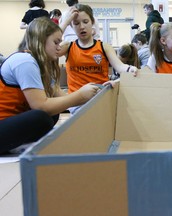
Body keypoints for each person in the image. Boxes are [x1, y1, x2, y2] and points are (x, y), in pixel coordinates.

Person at [0, 17, 100, 154]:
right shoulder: (24, 61)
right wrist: (80, 95)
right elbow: (40, 105)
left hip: (9, 124)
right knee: (41, 117)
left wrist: (96, 95)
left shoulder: (41, 66)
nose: (59, 47)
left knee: (52, 115)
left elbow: (63, 98)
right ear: (41, 41)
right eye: (56, 42)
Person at [59, 4, 138, 94]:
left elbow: (120, 66)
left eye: (85, 22)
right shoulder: (67, 46)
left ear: (92, 22)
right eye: (76, 23)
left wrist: (130, 69)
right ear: (71, 26)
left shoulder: (104, 47)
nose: (81, 27)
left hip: (99, 99)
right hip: (75, 103)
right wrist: (65, 22)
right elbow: (45, 47)